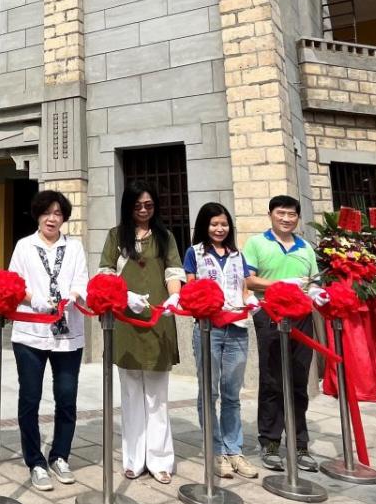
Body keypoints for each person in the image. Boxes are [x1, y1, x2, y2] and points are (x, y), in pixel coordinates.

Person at [99, 182, 184, 484]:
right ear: (128, 207)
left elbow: (174, 271)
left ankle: (160, 459)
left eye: (148, 205)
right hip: (126, 319)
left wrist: (174, 296)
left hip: (158, 320)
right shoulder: (115, 236)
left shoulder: (165, 236)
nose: (144, 210)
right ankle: (134, 458)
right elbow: (105, 273)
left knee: (158, 397)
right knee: (131, 392)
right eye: (138, 206)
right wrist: (124, 296)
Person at [8, 190, 88, 492]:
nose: (52, 218)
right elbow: (15, 283)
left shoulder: (75, 247)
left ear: (64, 217)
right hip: (31, 332)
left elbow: (81, 280)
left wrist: (74, 296)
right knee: (30, 398)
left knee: (66, 397)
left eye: (57, 213)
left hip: (68, 334)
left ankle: (60, 456)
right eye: (46, 213)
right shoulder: (24, 246)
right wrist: (36, 300)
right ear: (38, 215)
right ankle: (35, 461)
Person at [244, 195, 320, 472]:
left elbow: (314, 281)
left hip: (302, 317)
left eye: (291, 215)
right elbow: (249, 279)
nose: (286, 219)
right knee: (273, 379)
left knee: (299, 381)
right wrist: (281, 284)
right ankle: (270, 441)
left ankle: (300, 443)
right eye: (281, 213)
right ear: (270, 215)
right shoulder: (256, 243)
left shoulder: (305, 248)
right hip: (270, 315)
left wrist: (318, 293)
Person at [183, 202, 259, 480]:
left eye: (224, 224)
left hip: (238, 328)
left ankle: (234, 449)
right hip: (209, 329)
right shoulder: (195, 253)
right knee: (209, 392)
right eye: (214, 223)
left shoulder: (239, 255)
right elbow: (190, 288)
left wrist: (252, 301)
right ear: (205, 225)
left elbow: (244, 288)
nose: (219, 228)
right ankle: (215, 449)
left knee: (232, 394)